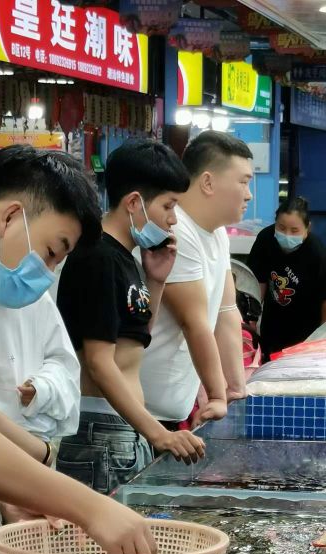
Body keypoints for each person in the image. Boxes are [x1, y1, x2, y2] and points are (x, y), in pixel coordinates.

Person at [0, 144, 156, 554]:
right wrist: (91, 508)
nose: (49, 271)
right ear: (11, 217)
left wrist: (9, 493)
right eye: (52, 250)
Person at [57, 139, 205, 493]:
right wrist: (157, 432)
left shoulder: (127, 258)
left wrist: (155, 278)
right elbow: (99, 363)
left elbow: (136, 335)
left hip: (121, 427)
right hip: (100, 430)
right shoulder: (98, 257)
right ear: (134, 202)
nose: (173, 219)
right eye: (169, 206)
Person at [140, 131, 250, 429]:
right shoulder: (179, 232)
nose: (249, 194)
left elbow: (227, 313)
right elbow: (194, 322)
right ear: (208, 182)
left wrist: (236, 389)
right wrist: (216, 395)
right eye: (243, 181)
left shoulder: (217, 234)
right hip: (144, 411)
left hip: (175, 406)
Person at [0, 292, 80, 444]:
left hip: (26, 440)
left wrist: (42, 388)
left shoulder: (34, 295)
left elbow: (64, 364)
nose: (47, 272)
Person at [247, 197, 326, 361]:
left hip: (306, 331)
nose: (287, 235)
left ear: (307, 228)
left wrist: (322, 340)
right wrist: (250, 319)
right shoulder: (265, 240)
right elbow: (257, 283)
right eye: (281, 228)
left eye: (294, 230)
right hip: (272, 325)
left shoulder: (317, 253)